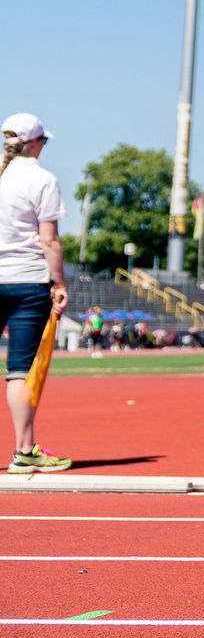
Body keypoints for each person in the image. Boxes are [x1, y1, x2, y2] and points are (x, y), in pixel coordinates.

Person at [1, 114, 72, 473]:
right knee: (19, 372)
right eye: (44, 141)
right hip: (28, 281)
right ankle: (24, 450)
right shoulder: (43, 179)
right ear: (34, 143)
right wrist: (59, 283)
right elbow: (49, 239)